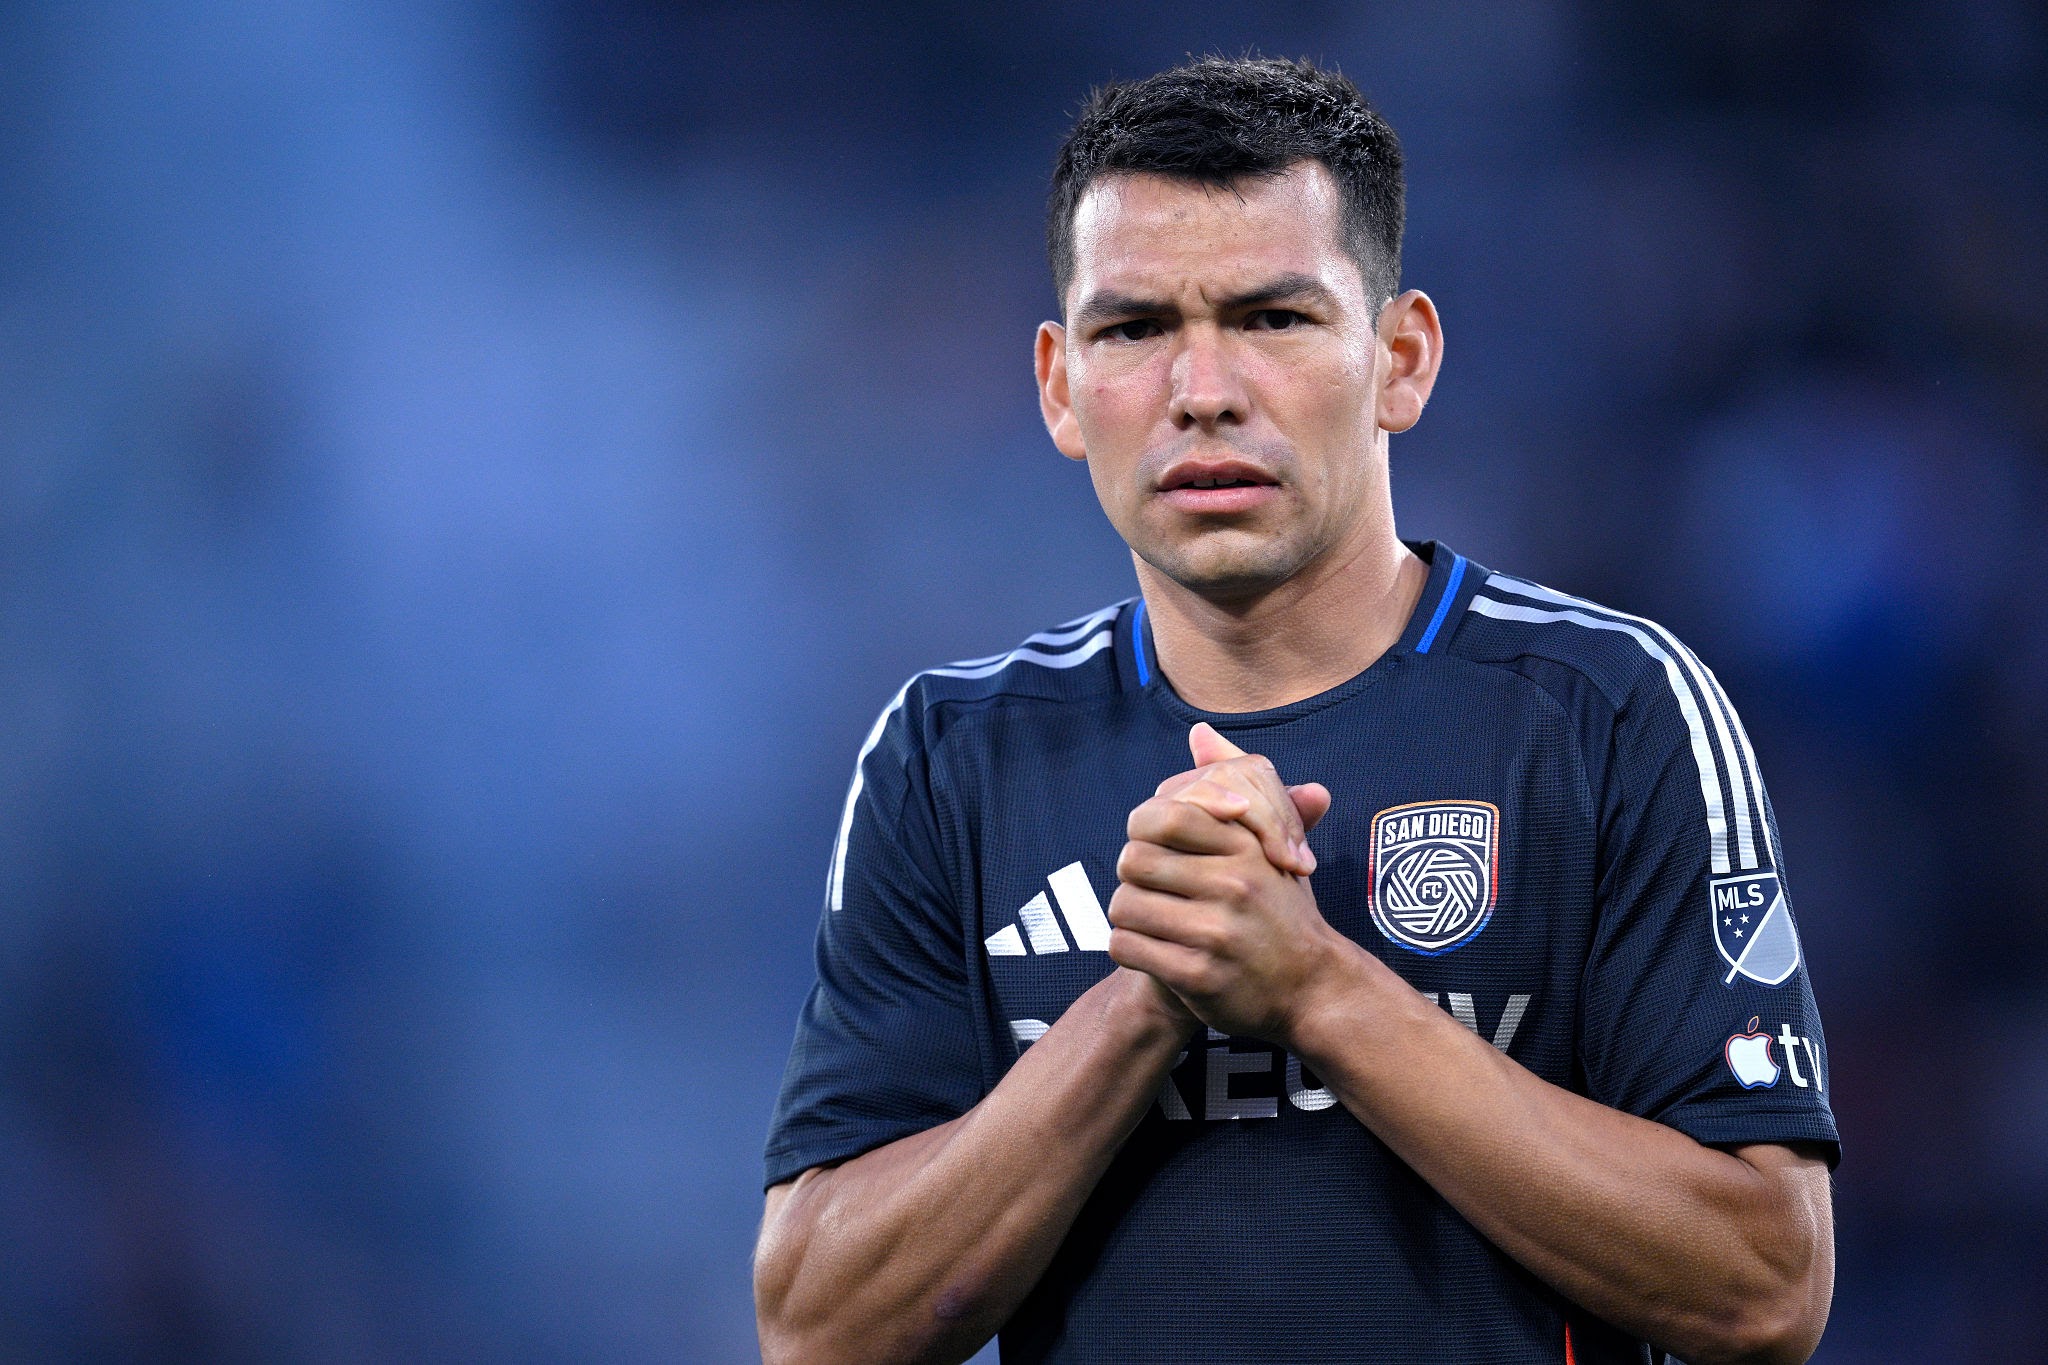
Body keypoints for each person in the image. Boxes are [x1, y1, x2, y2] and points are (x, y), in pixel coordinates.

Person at [753, 55, 1836, 1365]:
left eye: (1271, 317)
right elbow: (819, 1327)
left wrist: (1318, 988)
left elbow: (1764, 1286)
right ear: (1058, 385)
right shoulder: (952, 756)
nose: (1202, 389)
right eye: (1133, 329)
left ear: (1401, 360)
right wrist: (1146, 999)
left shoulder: (1610, 711)